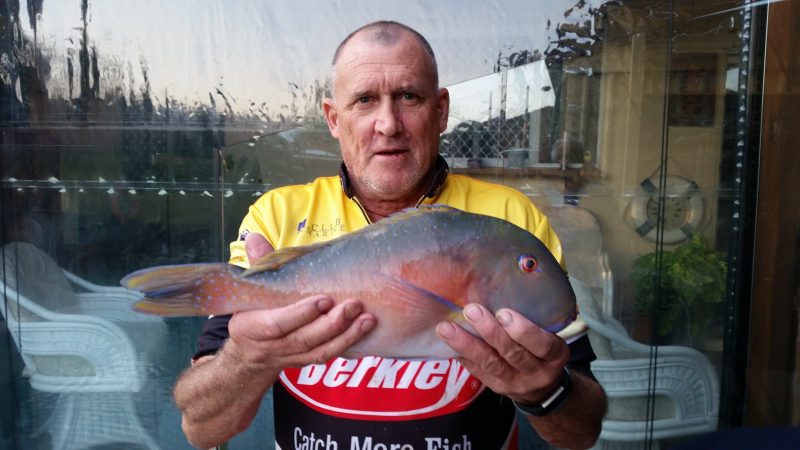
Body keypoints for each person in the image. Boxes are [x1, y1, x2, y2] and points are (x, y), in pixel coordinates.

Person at [174, 20, 606, 450]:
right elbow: (202, 429)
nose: (388, 124)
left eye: (408, 97)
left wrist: (546, 392)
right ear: (334, 119)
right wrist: (247, 358)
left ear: (441, 111)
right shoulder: (277, 218)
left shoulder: (509, 221)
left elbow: (582, 433)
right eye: (364, 100)